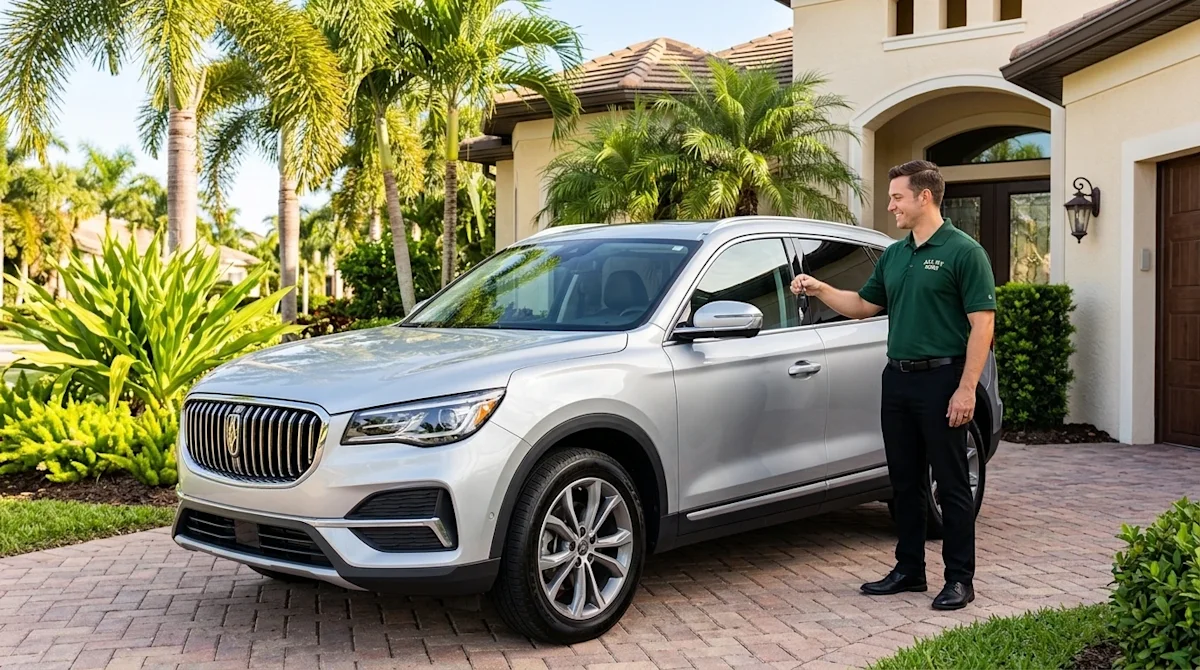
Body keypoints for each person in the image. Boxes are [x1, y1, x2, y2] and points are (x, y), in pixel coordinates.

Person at [790, 160, 996, 610]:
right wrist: (820, 288)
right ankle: (910, 570)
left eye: (897, 197)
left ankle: (959, 579)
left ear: (925, 196)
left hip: (943, 379)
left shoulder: (964, 252)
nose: (891, 206)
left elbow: (982, 325)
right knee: (904, 482)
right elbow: (863, 305)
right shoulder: (895, 254)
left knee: (952, 484)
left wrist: (966, 389)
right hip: (897, 380)